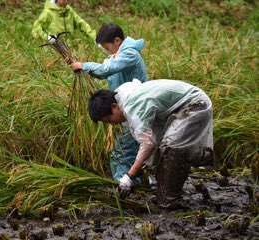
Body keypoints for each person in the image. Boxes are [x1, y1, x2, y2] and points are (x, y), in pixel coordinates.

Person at [88, 79, 214, 210]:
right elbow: (152, 142)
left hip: (195, 104)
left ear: (114, 106)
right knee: (164, 149)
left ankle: (169, 200)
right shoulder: (125, 97)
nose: (113, 124)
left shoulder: (133, 107)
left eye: (109, 120)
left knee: (171, 148)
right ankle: (165, 196)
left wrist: (129, 177)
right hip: (181, 108)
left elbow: (148, 144)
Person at [71, 23, 149, 183]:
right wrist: (84, 69)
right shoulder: (118, 55)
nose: (107, 52)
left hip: (133, 109)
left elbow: (107, 69)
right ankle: (134, 180)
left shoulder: (129, 54)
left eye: (107, 48)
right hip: (122, 110)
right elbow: (104, 73)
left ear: (117, 40)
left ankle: (123, 183)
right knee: (124, 148)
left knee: (124, 149)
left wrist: (84, 65)